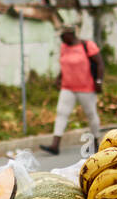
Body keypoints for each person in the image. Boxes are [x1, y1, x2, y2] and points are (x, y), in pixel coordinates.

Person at [40, 25, 103, 156]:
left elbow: (100, 64)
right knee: (61, 113)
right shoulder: (64, 47)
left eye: (63, 36)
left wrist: (99, 81)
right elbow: (64, 65)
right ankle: (55, 144)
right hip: (67, 87)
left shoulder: (87, 45)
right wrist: (58, 78)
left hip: (86, 87)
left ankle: (97, 142)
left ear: (70, 34)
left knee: (91, 114)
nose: (61, 39)